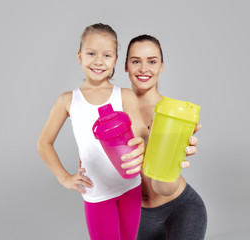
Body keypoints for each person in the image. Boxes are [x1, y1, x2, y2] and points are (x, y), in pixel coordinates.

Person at [37, 23, 149, 240]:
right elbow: (44, 143)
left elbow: (140, 134)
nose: (99, 61)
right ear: (79, 56)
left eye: (107, 55)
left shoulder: (125, 96)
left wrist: (143, 144)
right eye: (91, 53)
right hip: (97, 193)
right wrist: (64, 178)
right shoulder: (68, 100)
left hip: (131, 187)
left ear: (116, 60)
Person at [124, 34, 207, 240]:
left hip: (181, 208)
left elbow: (166, 184)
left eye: (152, 61)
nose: (144, 69)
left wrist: (182, 154)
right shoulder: (114, 112)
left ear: (161, 66)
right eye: (136, 61)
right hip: (136, 216)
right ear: (125, 65)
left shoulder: (175, 114)